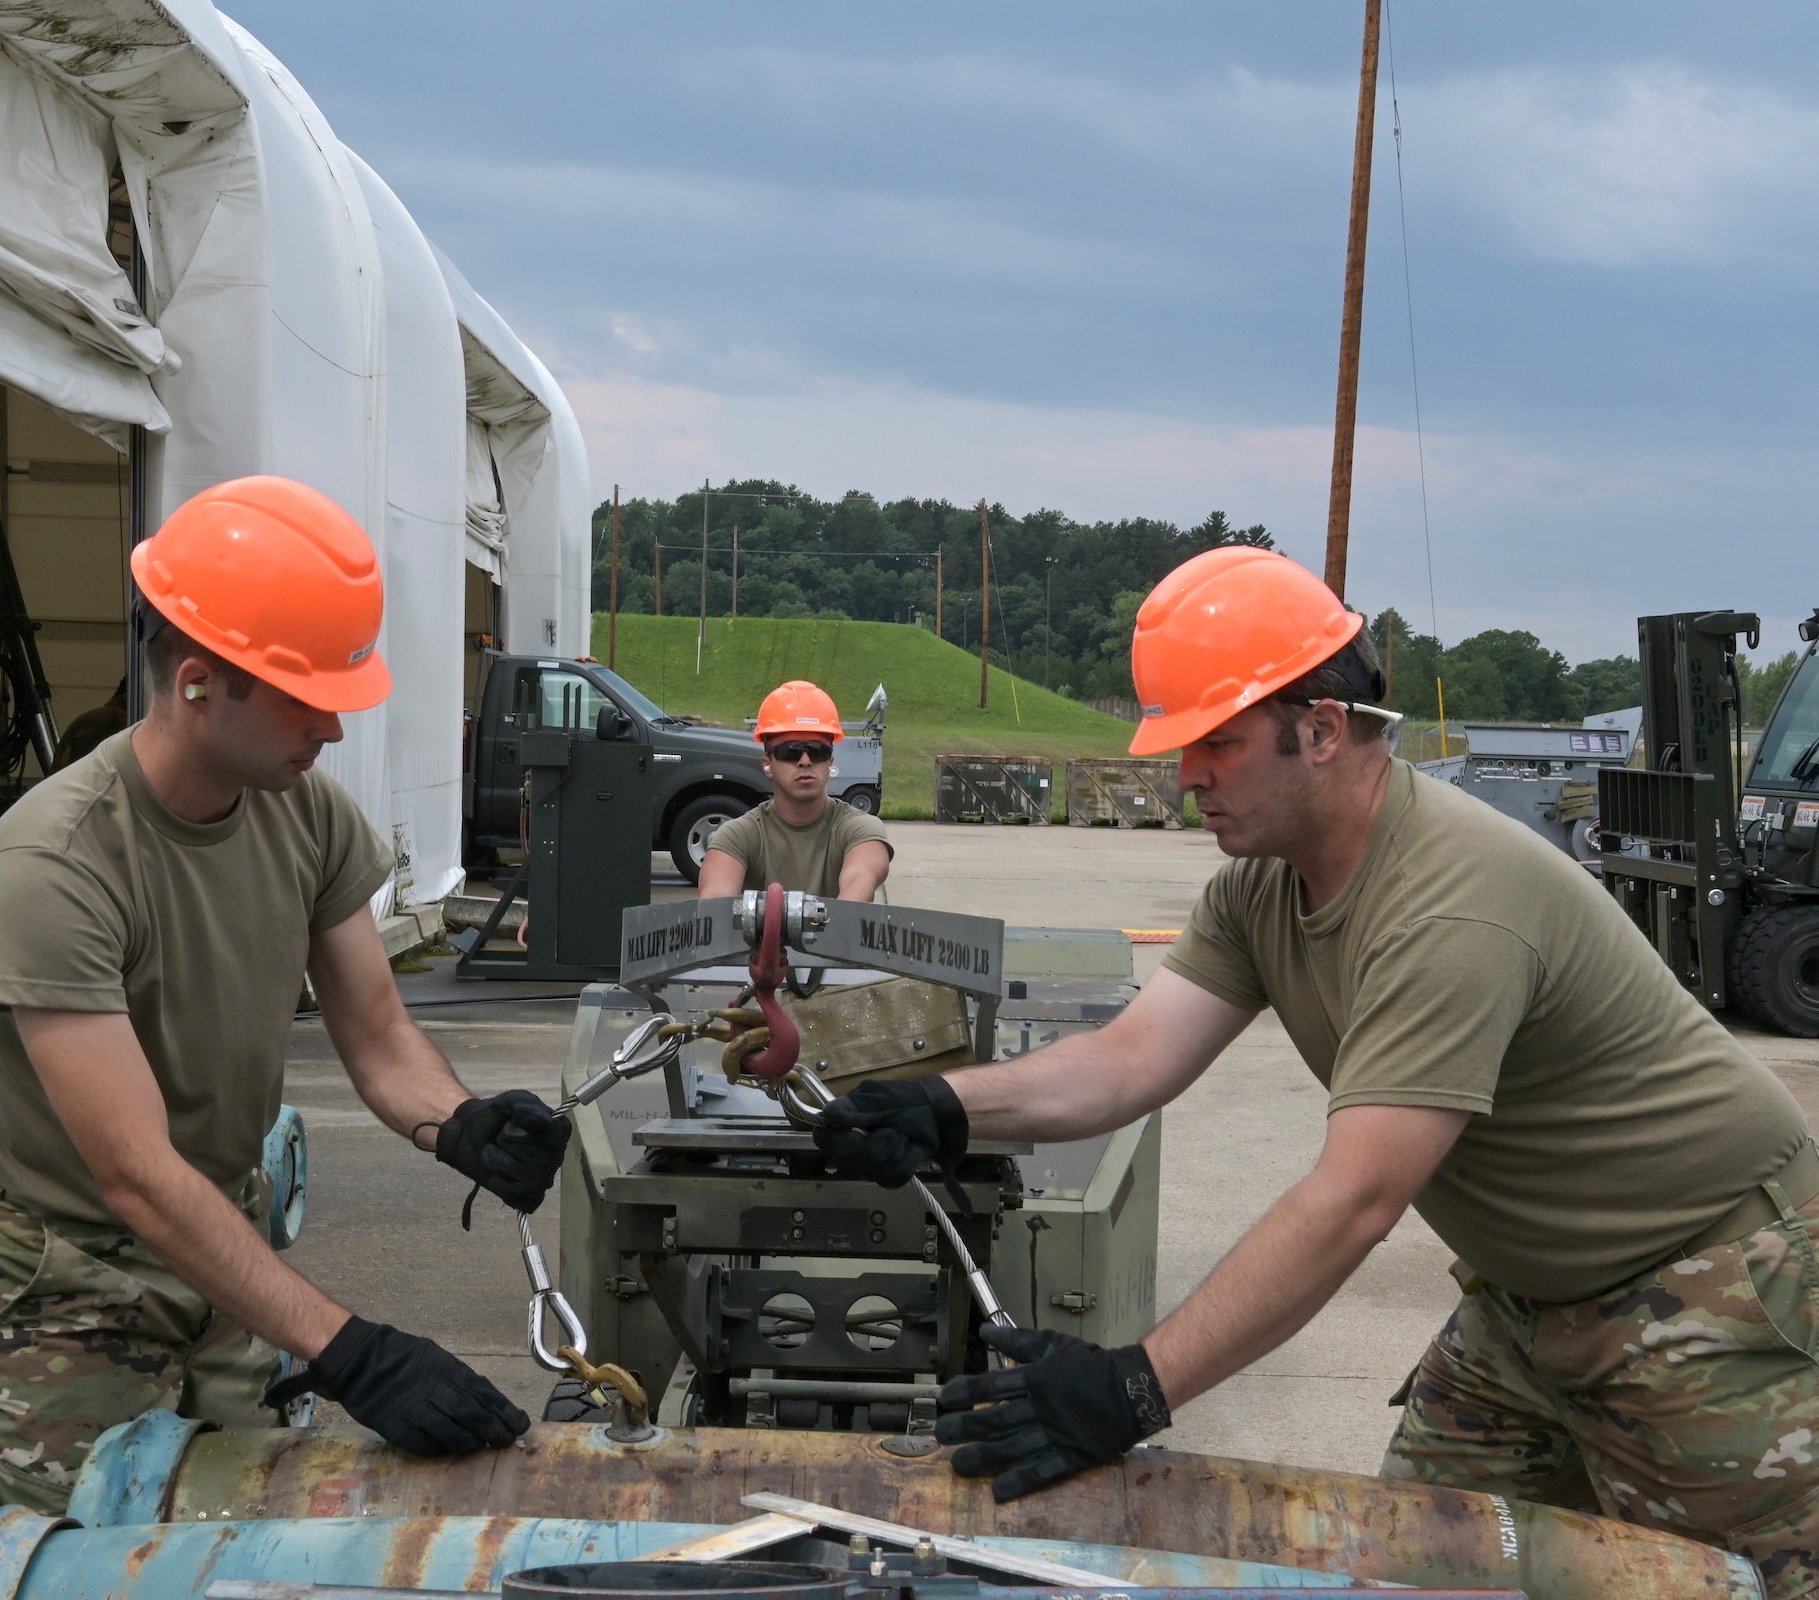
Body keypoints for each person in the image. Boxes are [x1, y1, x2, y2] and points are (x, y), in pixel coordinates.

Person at [816, 548, 1819, 1586]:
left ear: (1321, 728)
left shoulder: (1446, 901)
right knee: (1415, 1571)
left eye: (1216, 740)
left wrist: (1132, 1387)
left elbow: (1353, 1199)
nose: (1187, 773)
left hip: (1712, 1286)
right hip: (1529, 1304)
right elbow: (1125, 1061)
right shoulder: (1263, 883)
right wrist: (940, 1105)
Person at [0, 476, 570, 1513]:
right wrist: (347, 1348)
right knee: (88, 1567)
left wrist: (457, 1121)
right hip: (72, 1288)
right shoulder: (54, 864)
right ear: (198, 682)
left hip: (220, 1260)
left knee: (238, 1546)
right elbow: (136, 1175)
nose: (331, 725)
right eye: (302, 692)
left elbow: (375, 1034)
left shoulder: (301, 810)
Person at [696, 680, 890, 901]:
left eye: (817, 751)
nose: (805, 761)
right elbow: (715, 904)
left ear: (830, 761)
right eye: (791, 751)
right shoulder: (738, 836)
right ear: (767, 764)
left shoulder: (859, 829)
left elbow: (859, 882)